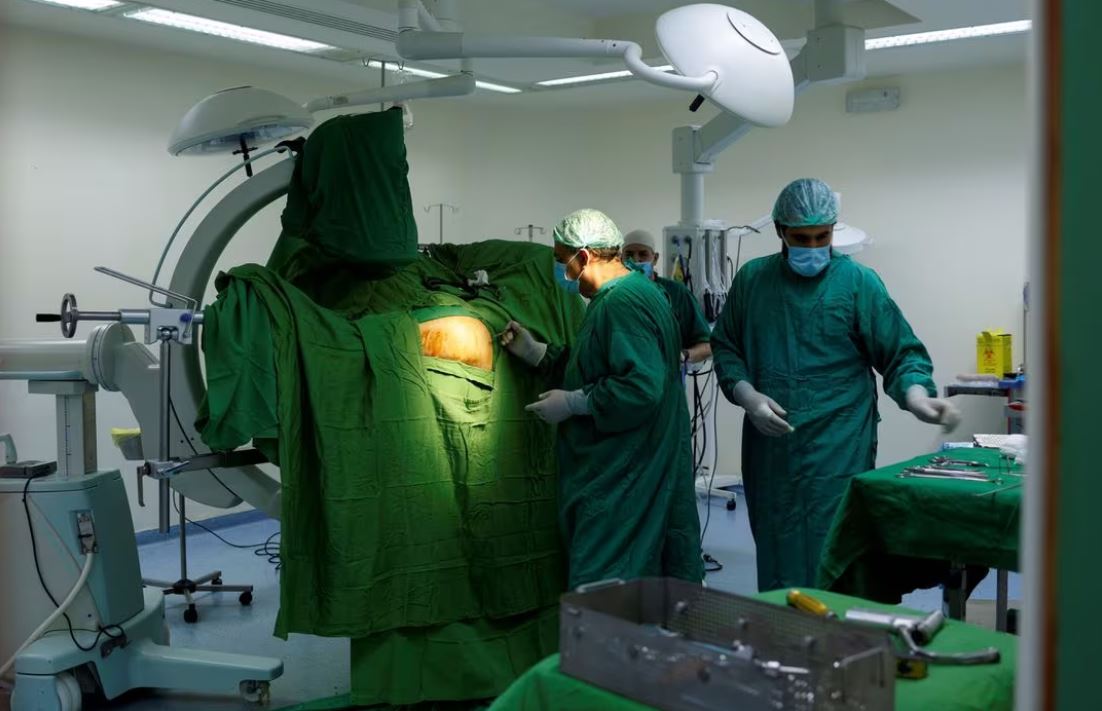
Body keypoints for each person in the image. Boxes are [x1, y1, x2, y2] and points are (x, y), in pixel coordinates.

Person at [711, 178, 961, 591]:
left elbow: (901, 353)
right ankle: (786, 628)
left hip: (839, 446)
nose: (812, 247)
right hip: (772, 450)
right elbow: (726, 346)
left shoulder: (858, 283)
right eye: (801, 238)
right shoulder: (753, 280)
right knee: (778, 548)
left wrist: (917, 397)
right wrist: (746, 394)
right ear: (780, 231)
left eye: (822, 236)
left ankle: (836, 629)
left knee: (837, 550)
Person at [500, 208, 704, 588]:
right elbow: (595, 364)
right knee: (646, 584)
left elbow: (640, 388)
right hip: (643, 459)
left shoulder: (620, 304)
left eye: (562, 260)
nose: (560, 270)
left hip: (625, 472)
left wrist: (575, 403)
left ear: (584, 256)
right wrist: (537, 353)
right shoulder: (634, 292)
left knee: (605, 584)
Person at [623, 229, 713, 364]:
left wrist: (683, 356)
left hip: (666, 374)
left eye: (643, 254)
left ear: (655, 258)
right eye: (629, 254)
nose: (636, 260)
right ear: (620, 258)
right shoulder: (612, 294)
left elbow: (707, 345)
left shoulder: (676, 293)